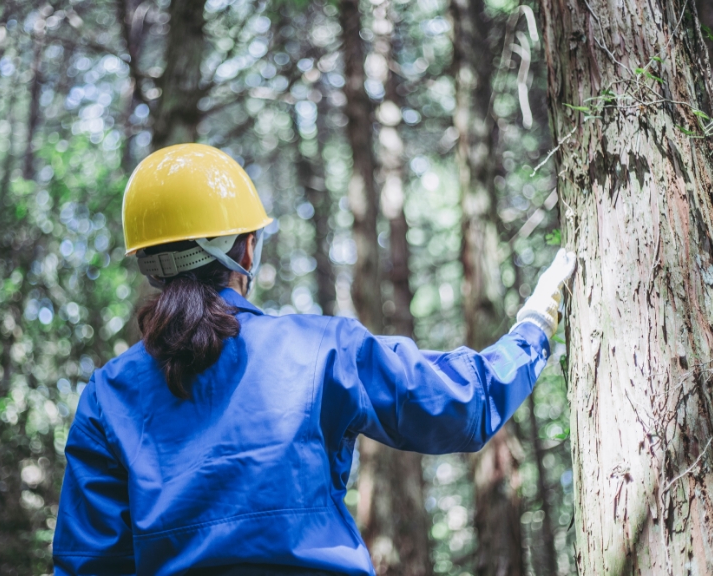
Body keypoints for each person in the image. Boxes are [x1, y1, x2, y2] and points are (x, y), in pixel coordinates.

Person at [52, 144, 576, 576]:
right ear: (248, 250)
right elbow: (462, 405)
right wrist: (532, 329)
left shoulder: (106, 396)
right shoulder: (321, 347)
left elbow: (87, 566)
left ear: (149, 263)